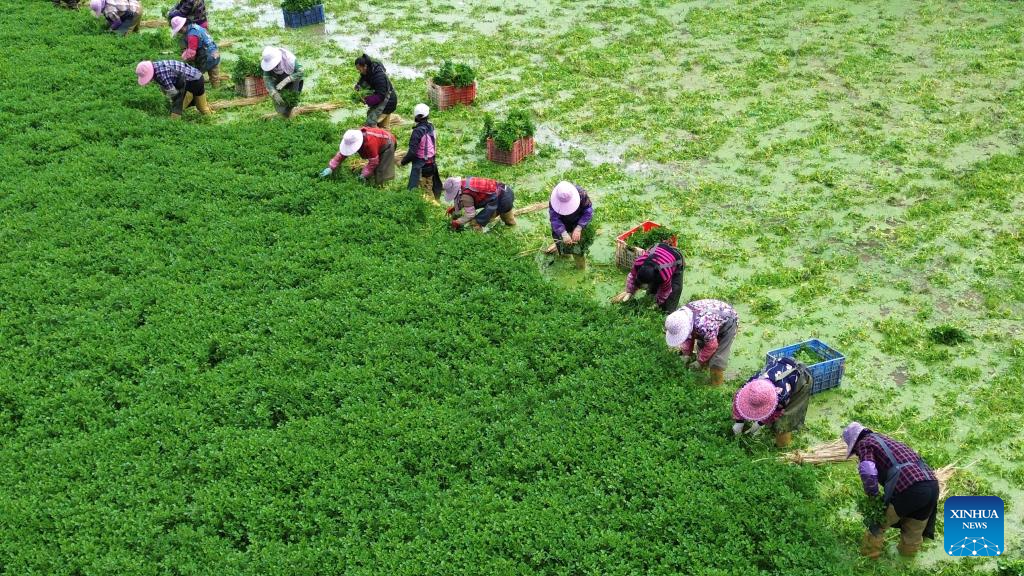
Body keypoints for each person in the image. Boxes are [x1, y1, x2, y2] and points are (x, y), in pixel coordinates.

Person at [843, 422, 938, 558]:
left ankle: (869, 561)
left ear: (855, 442)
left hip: (911, 489)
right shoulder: (889, 441)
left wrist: (873, 496)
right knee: (912, 536)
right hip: (933, 486)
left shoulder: (864, 443)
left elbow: (868, 471)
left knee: (877, 526)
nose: (856, 453)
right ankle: (907, 564)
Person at [730, 356, 811, 447]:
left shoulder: (781, 397)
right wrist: (739, 422)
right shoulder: (751, 384)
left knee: (785, 419)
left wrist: (760, 423)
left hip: (800, 377)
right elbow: (738, 398)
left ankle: (783, 447)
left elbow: (775, 412)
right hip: (782, 365)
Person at [662, 300, 738, 386]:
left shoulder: (703, 325)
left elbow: (712, 346)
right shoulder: (679, 317)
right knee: (702, 347)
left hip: (728, 321)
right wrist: (686, 354)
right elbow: (688, 337)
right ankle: (703, 370)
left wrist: (699, 361)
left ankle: (716, 387)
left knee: (717, 361)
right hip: (708, 321)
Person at [611, 243, 686, 312]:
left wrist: (657, 303)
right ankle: (649, 299)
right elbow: (632, 277)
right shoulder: (639, 263)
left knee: (674, 291)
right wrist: (630, 292)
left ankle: (668, 313)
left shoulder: (664, 275)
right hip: (659, 248)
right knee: (651, 292)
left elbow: (665, 291)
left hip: (676, 259)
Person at [319, 127, 397, 186]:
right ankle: (371, 177)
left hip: (388, 143)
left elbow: (373, 162)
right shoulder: (353, 137)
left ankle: (378, 185)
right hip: (378, 143)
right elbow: (342, 154)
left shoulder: (369, 144)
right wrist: (331, 167)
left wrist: (363, 175)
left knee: (381, 168)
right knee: (374, 165)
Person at [135, 60, 212, 119]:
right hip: (198, 77)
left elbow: (173, 92)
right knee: (202, 106)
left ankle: (174, 126)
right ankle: (209, 118)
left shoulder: (160, 74)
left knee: (177, 108)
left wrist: (173, 101)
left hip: (191, 82)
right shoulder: (158, 65)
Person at [399, 103, 443, 203]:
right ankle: (434, 202)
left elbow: (412, 153)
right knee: (429, 185)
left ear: (416, 116)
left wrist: (403, 162)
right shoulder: (431, 126)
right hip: (432, 163)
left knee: (419, 190)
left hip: (422, 166)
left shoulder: (417, 132)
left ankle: (430, 205)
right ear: (427, 115)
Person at [547, 181, 594, 269]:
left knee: (577, 250)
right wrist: (563, 233)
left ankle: (580, 267)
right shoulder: (554, 198)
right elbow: (554, 218)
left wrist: (579, 227)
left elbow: (588, 211)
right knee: (563, 247)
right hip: (561, 223)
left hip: (577, 221)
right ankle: (565, 255)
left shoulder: (581, 194)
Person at [443, 177, 516, 231]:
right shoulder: (465, 182)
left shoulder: (466, 196)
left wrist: (457, 222)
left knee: (475, 223)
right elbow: (471, 197)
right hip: (506, 191)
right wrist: (456, 207)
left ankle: (479, 241)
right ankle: (512, 230)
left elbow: (470, 214)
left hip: (501, 200)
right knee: (509, 221)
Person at [171, 17, 220, 87]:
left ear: (182, 27)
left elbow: (191, 54)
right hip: (215, 52)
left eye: (179, 30)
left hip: (207, 56)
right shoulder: (195, 26)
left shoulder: (192, 35)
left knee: (197, 73)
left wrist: (184, 60)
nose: (179, 32)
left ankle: (198, 87)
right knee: (214, 72)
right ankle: (216, 87)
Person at [354, 54, 397, 130]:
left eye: (359, 69)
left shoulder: (379, 76)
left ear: (365, 66)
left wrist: (367, 100)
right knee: (383, 126)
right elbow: (363, 80)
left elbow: (380, 96)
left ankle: (382, 139)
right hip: (384, 100)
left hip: (388, 102)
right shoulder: (367, 71)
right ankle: (388, 139)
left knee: (371, 123)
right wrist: (358, 86)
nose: (358, 71)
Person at [261, 46, 304, 118]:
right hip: (278, 81)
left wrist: (287, 80)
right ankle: (282, 114)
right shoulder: (267, 64)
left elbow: (301, 72)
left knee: (291, 99)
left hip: (292, 79)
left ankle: (292, 112)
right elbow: (267, 79)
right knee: (280, 104)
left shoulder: (290, 59)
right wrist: (274, 93)